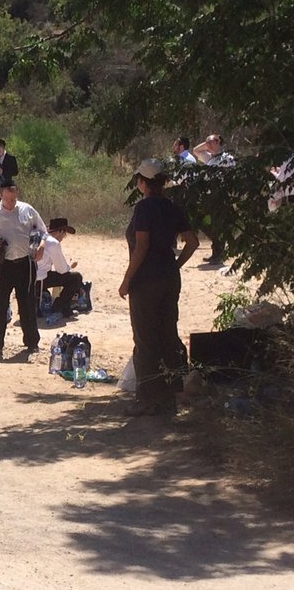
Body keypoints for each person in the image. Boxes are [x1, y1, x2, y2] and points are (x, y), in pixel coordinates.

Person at [119, 158, 199, 416]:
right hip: (168, 278)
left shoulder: (144, 208)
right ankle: (168, 397)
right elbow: (193, 242)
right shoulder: (172, 207)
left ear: (143, 183)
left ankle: (147, 399)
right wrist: (175, 266)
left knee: (145, 338)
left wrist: (127, 278)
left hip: (145, 280)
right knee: (167, 334)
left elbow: (142, 245)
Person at [0, 178, 48, 360]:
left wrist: (41, 246)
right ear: (0, 195)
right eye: (7, 199)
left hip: (25, 263)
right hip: (3, 265)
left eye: (13, 198)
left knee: (27, 304)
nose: (11, 202)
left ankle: (32, 342)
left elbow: (43, 231)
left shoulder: (27, 210)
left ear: (17, 194)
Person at [191, 133, 235, 264]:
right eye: (207, 142)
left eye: (212, 141)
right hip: (209, 195)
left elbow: (230, 176)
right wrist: (207, 144)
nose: (209, 144)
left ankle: (218, 253)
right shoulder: (209, 158)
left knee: (218, 224)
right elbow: (195, 150)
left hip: (221, 195)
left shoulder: (227, 158)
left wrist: (214, 142)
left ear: (219, 142)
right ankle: (218, 247)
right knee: (200, 220)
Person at [35, 218, 83, 318]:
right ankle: (60, 307)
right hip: (40, 279)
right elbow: (62, 270)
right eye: (64, 234)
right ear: (59, 232)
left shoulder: (37, 235)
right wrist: (70, 266)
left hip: (27, 277)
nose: (63, 237)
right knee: (76, 278)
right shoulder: (53, 243)